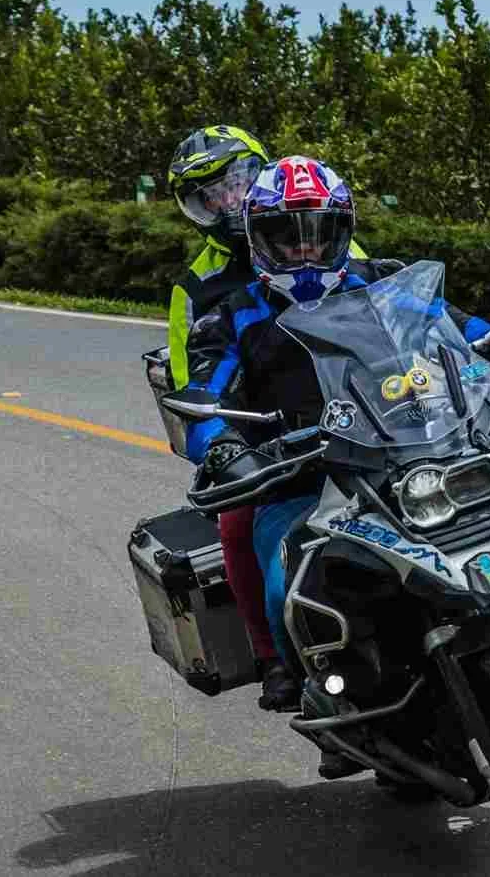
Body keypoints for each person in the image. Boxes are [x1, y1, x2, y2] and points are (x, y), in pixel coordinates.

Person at [188, 155, 490, 778]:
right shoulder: (232, 314)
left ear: (344, 230)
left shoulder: (384, 282)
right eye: (288, 234)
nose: (306, 250)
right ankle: (327, 699)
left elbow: (463, 328)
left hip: (411, 455)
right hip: (301, 479)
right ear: (257, 238)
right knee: (290, 587)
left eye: (320, 232)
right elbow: (201, 392)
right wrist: (221, 443)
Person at [164, 125, 297, 712]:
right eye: (208, 196)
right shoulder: (196, 286)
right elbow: (183, 373)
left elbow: (384, 306)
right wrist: (221, 440)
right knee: (236, 522)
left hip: (356, 405)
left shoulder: (315, 230)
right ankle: (275, 659)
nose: (227, 203)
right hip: (258, 429)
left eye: (236, 183)